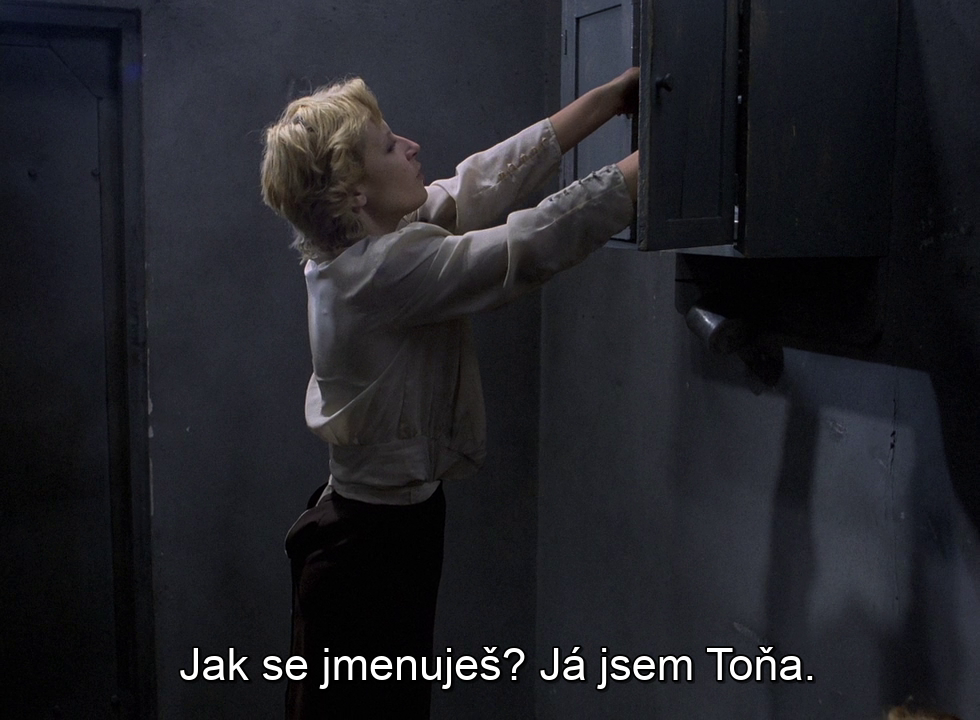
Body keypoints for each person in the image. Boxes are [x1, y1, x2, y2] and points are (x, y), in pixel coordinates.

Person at [260, 68, 639, 719]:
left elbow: (478, 183)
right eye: (388, 146)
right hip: (368, 547)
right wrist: (658, 161)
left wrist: (606, 101)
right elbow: (532, 242)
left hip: (381, 528)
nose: (411, 147)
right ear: (355, 194)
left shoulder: (357, 244)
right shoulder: (377, 273)